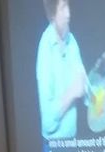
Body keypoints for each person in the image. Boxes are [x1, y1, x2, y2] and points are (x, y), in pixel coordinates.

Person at [36, 0, 88, 140]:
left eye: (68, 6)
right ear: (52, 15)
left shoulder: (71, 41)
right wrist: (71, 93)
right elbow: (47, 122)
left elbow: (83, 85)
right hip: (54, 147)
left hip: (73, 143)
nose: (68, 14)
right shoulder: (46, 50)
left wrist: (103, 96)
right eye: (63, 9)